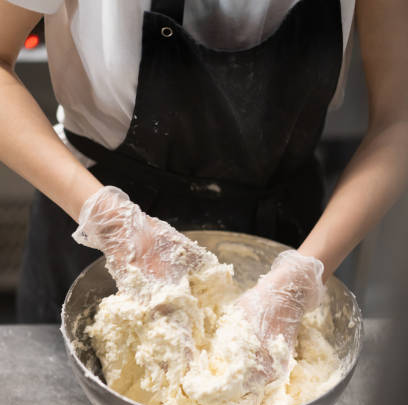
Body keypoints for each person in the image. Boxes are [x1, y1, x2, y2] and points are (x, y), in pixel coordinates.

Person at [0, 0, 407, 373]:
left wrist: (302, 276)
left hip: (288, 232)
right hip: (93, 223)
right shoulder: (104, 222)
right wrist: (108, 219)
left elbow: (399, 119)